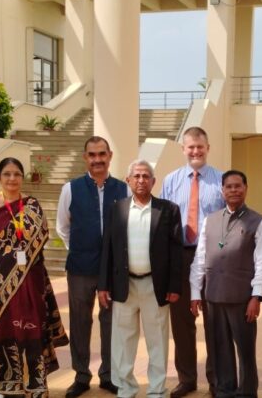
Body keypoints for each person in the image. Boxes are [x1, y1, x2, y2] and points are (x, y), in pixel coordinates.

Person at [0, 157, 68, 398]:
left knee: (32, 330)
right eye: (7, 174)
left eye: (16, 174)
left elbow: (40, 240)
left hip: (32, 283)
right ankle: (1, 386)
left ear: (22, 178)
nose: (12, 179)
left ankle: (35, 385)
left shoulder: (32, 205)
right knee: (2, 330)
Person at [97, 159, 183, 398]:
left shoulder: (168, 210)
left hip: (155, 286)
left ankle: (157, 390)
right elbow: (108, 249)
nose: (141, 180)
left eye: (146, 176)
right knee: (123, 342)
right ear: (128, 180)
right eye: (136, 176)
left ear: (153, 181)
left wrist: (174, 285)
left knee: (158, 342)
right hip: (123, 286)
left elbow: (176, 251)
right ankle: (126, 389)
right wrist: (103, 285)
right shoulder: (117, 209)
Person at [56, 136, 127, 398]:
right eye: (92, 155)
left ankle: (108, 375)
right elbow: (63, 227)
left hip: (112, 270)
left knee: (111, 322)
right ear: (85, 157)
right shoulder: (70, 188)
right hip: (80, 268)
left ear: (110, 156)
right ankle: (81, 376)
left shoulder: (124, 189)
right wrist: (79, 249)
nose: (97, 159)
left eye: (102, 154)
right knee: (80, 321)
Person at [189, 170, 262, 398]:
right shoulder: (210, 220)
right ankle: (225, 391)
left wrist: (256, 297)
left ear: (245, 189)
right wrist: (195, 293)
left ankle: (247, 393)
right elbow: (200, 258)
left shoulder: (258, 221)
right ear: (222, 190)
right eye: (229, 186)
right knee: (220, 349)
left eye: (238, 186)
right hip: (213, 296)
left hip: (242, 299)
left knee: (245, 351)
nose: (233, 190)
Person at [161, 126, 225, 397]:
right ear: (183, 149)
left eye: (200, 147)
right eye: (191, 147)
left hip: (212, 258)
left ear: (208, 148)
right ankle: (187, 379)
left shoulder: (221, 180)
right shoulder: (171, 181)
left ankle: (217, 381)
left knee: (214, 322)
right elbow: (163, 223)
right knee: (181, 323)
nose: (196, 151)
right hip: (181, 257)